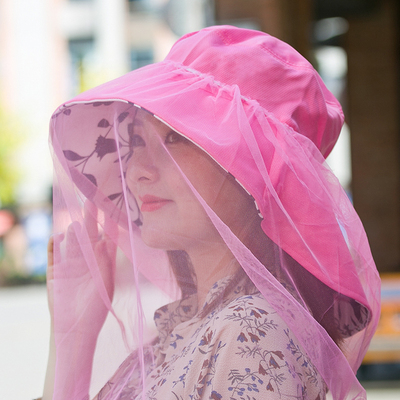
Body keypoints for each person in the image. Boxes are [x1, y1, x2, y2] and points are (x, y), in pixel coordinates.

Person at [41, 26, 380, 400]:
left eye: (176, 138)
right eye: (137, 141)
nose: (137, 169)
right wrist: (72, 337)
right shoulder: (186, 332)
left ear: (259, 169)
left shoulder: (249, 334)